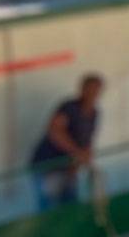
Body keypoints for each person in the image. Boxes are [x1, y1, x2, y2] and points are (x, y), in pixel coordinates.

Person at [29, 73, 101, 209]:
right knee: (49, 207)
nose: (92, 94)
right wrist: (77, 152)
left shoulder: (94, 113)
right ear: (82, 89)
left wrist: (81, 162)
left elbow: (87, 143)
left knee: (70, 204)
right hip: (48, 166)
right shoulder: (68, 108)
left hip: (68, 168)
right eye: (90, 89)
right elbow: (54, 131)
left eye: (96, 90)